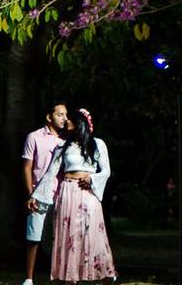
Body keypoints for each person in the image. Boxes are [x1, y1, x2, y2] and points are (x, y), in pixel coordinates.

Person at [29, 107, 116, 283]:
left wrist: (92, 179)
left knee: (91, 233)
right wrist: (35, 196)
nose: (66, 120)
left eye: (70, 119)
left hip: (88, 193)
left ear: (79, 124)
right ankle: (70, 276)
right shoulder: (63, 146)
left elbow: (106, 171)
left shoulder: (97, 144)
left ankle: (101, 273)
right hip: (68, 192)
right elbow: (50, 173)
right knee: (69, 235)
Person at [21, 101, 69, 285]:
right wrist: (30, 193)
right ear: (49, 117)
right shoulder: (34, 137)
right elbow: (27, 167)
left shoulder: (65, 142)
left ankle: (60, 276)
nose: (64, 118)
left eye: (65, 115)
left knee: (59, 238)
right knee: (33, 237)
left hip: (60, 195)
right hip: (38, 194)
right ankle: (29, 278)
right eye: (60, 114)